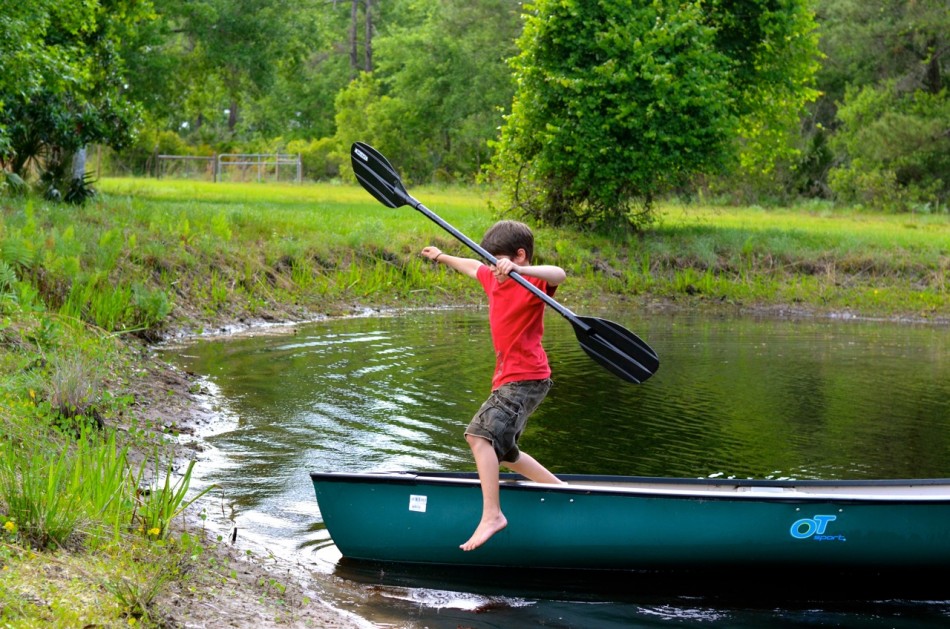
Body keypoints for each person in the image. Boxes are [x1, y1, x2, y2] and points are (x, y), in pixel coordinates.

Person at [421, 220, 566, 551]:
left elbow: (559, 274)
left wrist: (518, 270)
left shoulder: (532, 281)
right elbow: (471, 266)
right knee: (506, 452)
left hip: (526, 377)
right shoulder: (491, 276)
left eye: (497, 261)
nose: (492, 268)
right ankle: (563, 491)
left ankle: (492, 515)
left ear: (519, 256)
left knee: (479, 436)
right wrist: (441, 256)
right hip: (509, 379)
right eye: (490, 261)